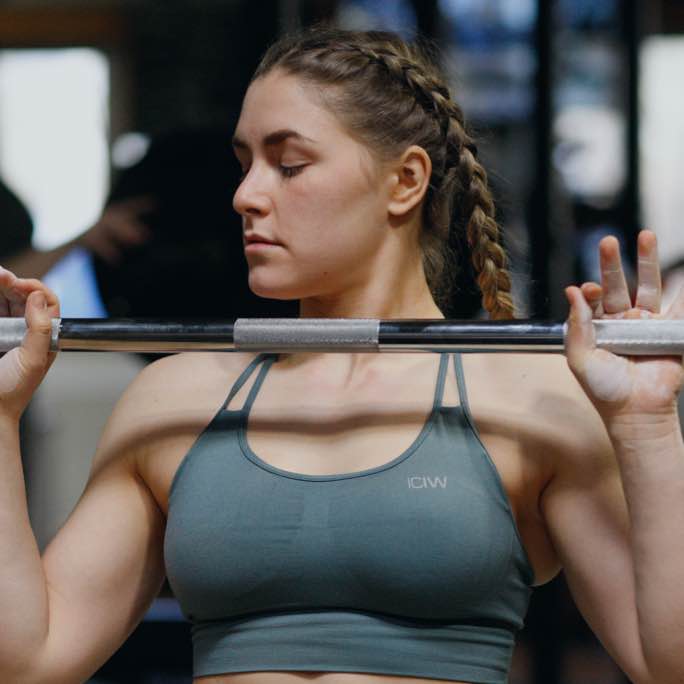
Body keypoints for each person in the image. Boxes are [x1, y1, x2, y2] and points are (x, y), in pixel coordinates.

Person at [1, 24, 683, 684]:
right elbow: (28, 661)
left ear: (405, 182)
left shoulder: (529, 402)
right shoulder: (176, 400)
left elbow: (668, 664)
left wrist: (647, 427)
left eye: (289, 164)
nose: (246, 195)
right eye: (245, 165)